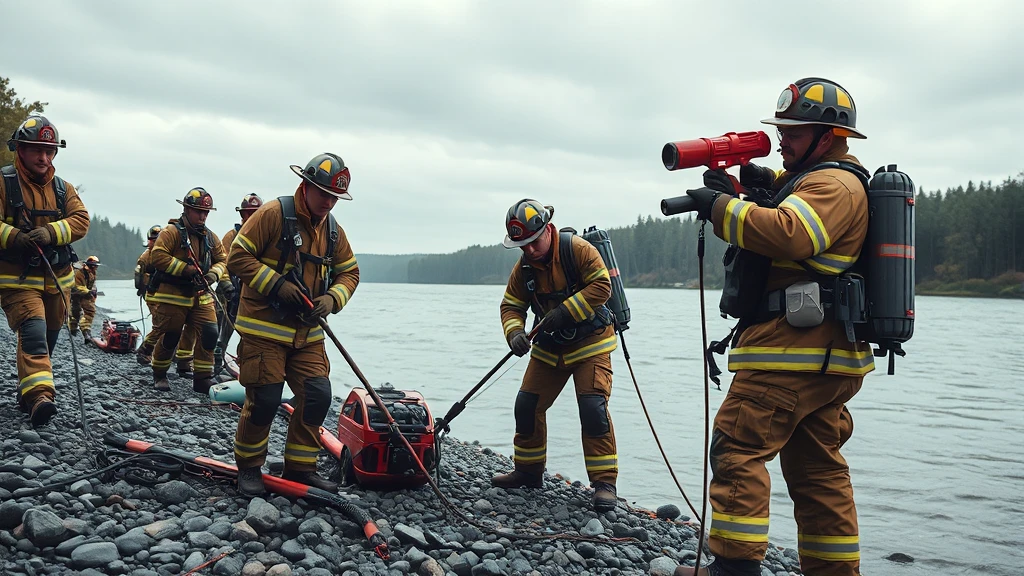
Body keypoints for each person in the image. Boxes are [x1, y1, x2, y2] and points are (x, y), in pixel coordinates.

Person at [676, 78, 872, 576]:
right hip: (823, 355)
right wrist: (755, 191)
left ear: (826, 136)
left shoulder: (834, 184)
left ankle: (732, 569)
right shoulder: (819, 179)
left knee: (737, 446)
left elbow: (790, 234)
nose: (783, 138)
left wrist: (720, 208)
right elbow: (788, 221)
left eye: (794, 131)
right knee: (817, 472)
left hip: (791, 355)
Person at [228, 153, 358, 495]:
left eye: (334, 197)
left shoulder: (332, 230)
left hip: (308, 336)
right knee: (266, 400)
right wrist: (277, 285)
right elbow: (238, 257)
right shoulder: (272, 214)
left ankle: (300, 468)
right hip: (263, 332)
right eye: (324, 194)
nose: (329, 202)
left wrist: (331, 299)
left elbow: (350, 272)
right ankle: (250, 468)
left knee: (317, 396)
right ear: (306, 185)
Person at [491, 199, 620, 512]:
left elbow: (602, 287)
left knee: (592, 407)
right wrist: (515, 334)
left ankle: (604, 483)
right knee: (527, 405)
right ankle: (528, 472)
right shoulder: (523, 268)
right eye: (523, 246)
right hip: (550, 347)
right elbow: (511, 305)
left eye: (535, 242)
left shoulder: (578, 250)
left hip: (591, 345)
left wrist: (566, 311)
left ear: (548, 229)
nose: (531, 250)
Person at [0, 115, 90, 426]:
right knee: (34, 332)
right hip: (17, 281)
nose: (44, 158)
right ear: (20, 149)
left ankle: (27, 390)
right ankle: (40, 397)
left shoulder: (63, 190)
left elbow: (81, 220)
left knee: (48, 336)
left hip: (58, 282)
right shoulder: (3, 183)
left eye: (50, 151)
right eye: (37, 150)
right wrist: (15, 237)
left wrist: (51, 232)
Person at [147, 188, 227, 393]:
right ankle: (160, 373)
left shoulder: (210, 237)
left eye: (206, 212)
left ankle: (202, 378)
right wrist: (185, 269)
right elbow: (158, 256)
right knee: (171, 335)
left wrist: (213, 275)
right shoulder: (171, 232)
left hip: (201, 295)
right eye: (198, 211)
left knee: (210, 332)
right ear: (186, 209)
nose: (202, 216)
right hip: (173, 294)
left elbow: (222, 260)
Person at [213, 193, 261, 375]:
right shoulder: (231, 237)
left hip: (248, 294)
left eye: (256, 213)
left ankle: (244, 366)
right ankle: (213, 365)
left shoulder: (264, 239)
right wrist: (226, 285)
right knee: (218, 328)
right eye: (249, 213)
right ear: (242, 215)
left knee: (242, 331)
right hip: (227, 293)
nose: (252, 217)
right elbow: (222, 262)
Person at [135, 225, 164, 365]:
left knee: (165, 324)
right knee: (160, 325)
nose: (155, 242)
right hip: (152, 295)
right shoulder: (146, 257)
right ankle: (145, 350)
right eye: (153, 240)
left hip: (164, 295)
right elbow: (138, 276)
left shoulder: (165, 254)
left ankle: (161, 352)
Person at [69, 255, 101, 343]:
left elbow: (92, 284)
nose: (95, 268)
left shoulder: (92, 272)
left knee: (90, 311)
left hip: (85, 294)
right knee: (75, 313)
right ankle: (72, 331)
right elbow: (76, 286)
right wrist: (88, 291)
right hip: (75, 294)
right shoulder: (79, 272)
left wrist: (93, 292)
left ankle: (86, 332)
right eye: (94, 266)